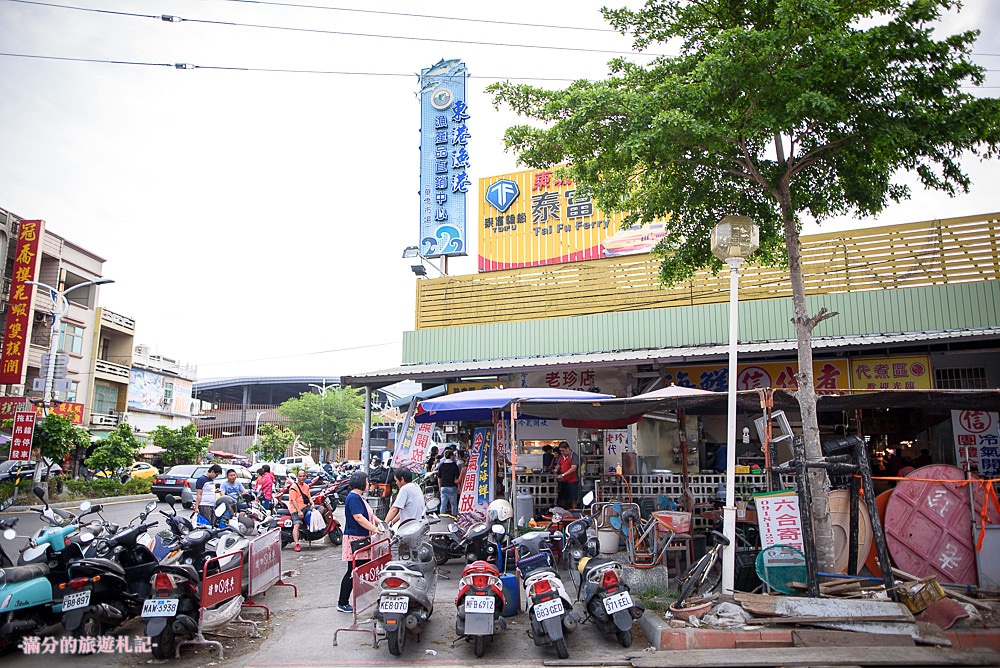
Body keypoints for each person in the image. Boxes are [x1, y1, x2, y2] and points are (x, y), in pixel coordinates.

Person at [338, 470, 384, 614]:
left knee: (363, 570)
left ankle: (365, 600)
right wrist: (375, 530)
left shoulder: (360, 497)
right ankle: (342, 602)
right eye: (367, 481)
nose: (368, 484)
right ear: (361, 482)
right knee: (353, 571)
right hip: (356, 539)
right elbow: (358, 517)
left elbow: (370, 515)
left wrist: (380, 524)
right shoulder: (353, 498)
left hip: (363, 538)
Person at [287, 469, 313, 552]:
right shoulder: (293, 487)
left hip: (305, 507)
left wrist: (312, 504)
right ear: (297, 477)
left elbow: (309, 497)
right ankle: (297, 543)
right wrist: (299, 511)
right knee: (297, 525)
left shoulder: (306, 486)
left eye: (303, 476)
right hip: (295, 508)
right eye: (300, 476)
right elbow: (293, 501)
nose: (302, 478)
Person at [555, 441, 580, 510]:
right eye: (560, 451)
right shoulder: (561, 457)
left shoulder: (574, 456)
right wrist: (555, 470)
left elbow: (573, 468)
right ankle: (563, 512)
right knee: (563, 497)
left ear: (568, 448)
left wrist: (563, 474)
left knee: (573, 498)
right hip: (563, 481)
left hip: (572, 480)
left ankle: (574, 512)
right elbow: (558, 465)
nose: (562, 452)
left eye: (563, 451)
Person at [436, 449, 461, 517]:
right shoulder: (454, 466)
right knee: (453, 504)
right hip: (452, 487)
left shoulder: (441, 466)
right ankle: (454, 517)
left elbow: (439, 478)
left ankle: (442, 518)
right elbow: (457, 477)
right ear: (451, 456)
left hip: (443, 487)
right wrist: (458, 487)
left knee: (443, 504)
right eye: (453, 455)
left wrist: (440, 487)